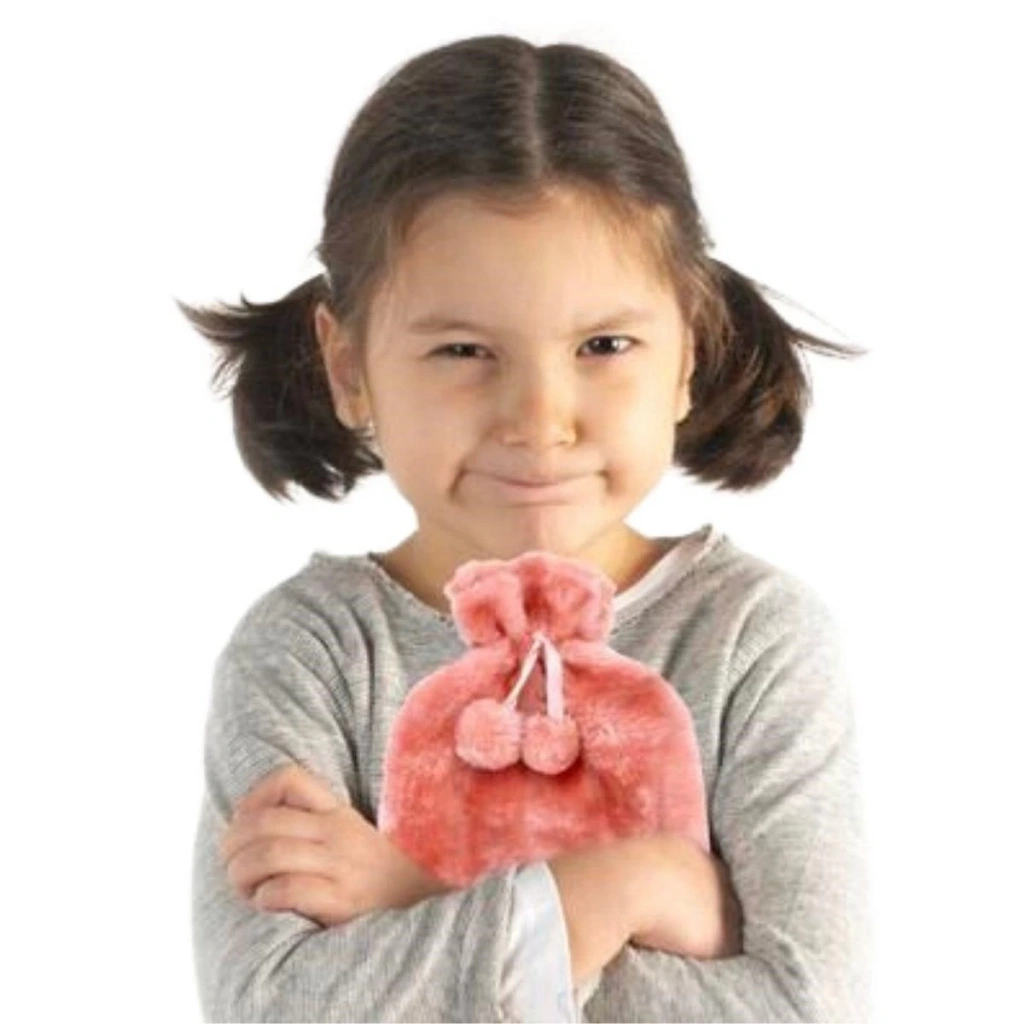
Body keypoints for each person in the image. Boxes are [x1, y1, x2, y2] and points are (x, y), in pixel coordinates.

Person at [180, 33, 873, 1023]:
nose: (540, 419)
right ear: (348, 368)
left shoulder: (752, 640)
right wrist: (628, 889)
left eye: (604, 344)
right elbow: (275, 1006)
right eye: (464, 350)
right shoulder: (310, 652)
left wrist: (407, 895)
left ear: (687, 351)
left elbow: (808, 1007)